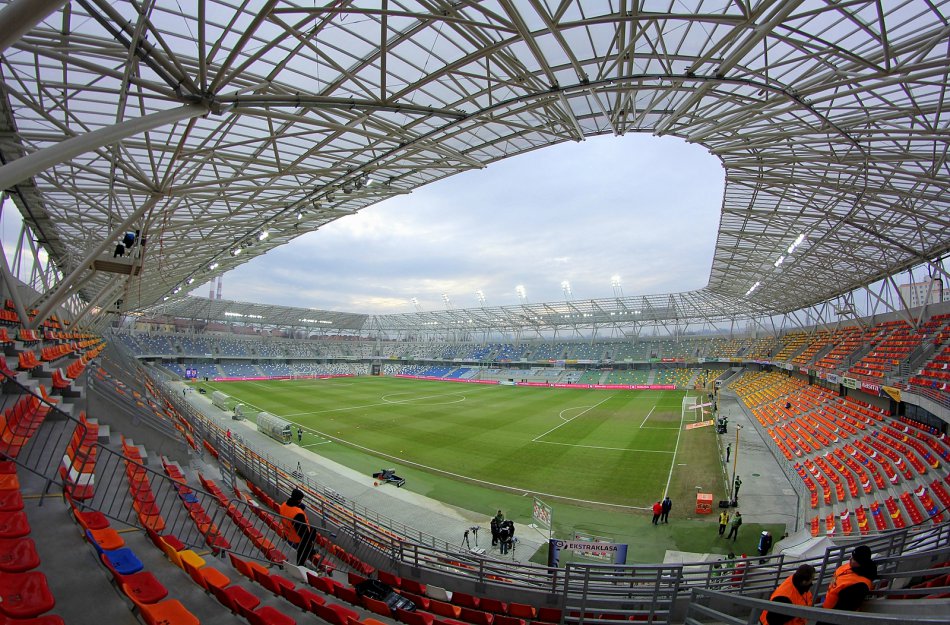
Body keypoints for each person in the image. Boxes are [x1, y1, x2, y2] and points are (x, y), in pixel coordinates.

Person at [818, 545, 877, 623]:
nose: (850, 559)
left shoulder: (860, 586)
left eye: (854, 559)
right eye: (851, 556)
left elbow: (843, 611)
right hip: (826, 609)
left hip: (832, 616)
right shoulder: (850, 566)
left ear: (860, 563)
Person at [279, 488, 317, 566]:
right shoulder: (298, 514)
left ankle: (310, 551)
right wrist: (309, 542)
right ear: (299, 500)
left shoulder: (284, 504)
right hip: (296, 537)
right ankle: (300, 565)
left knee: (313, 530)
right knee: (303, 549)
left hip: (287, 531)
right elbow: (302, 532)